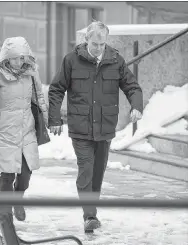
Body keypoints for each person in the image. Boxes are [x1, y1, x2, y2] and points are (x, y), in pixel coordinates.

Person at [48, 21, 143, 232]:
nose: (99, 48)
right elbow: (56, 89)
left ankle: (91, 212)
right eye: (95, 43)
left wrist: (136, 106)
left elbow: (132, 86)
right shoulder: (71, 60)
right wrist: (54, 118)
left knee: (98, 172)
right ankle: (89, 216)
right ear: (86, 40)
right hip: (80, 126)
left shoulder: (115, 60)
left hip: (105, 126)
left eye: (102, 43)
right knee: (86, 170)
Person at [0, 36, 48, 222]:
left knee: (26, 173)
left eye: (22, 57)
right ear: (6, 58)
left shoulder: (31, 73)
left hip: (26, 129)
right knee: (7, 173)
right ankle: (5, 213)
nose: (19, 62)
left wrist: (49, 121)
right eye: (15, 58)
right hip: (4, 131)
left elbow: (39, 98)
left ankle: (18, 198)